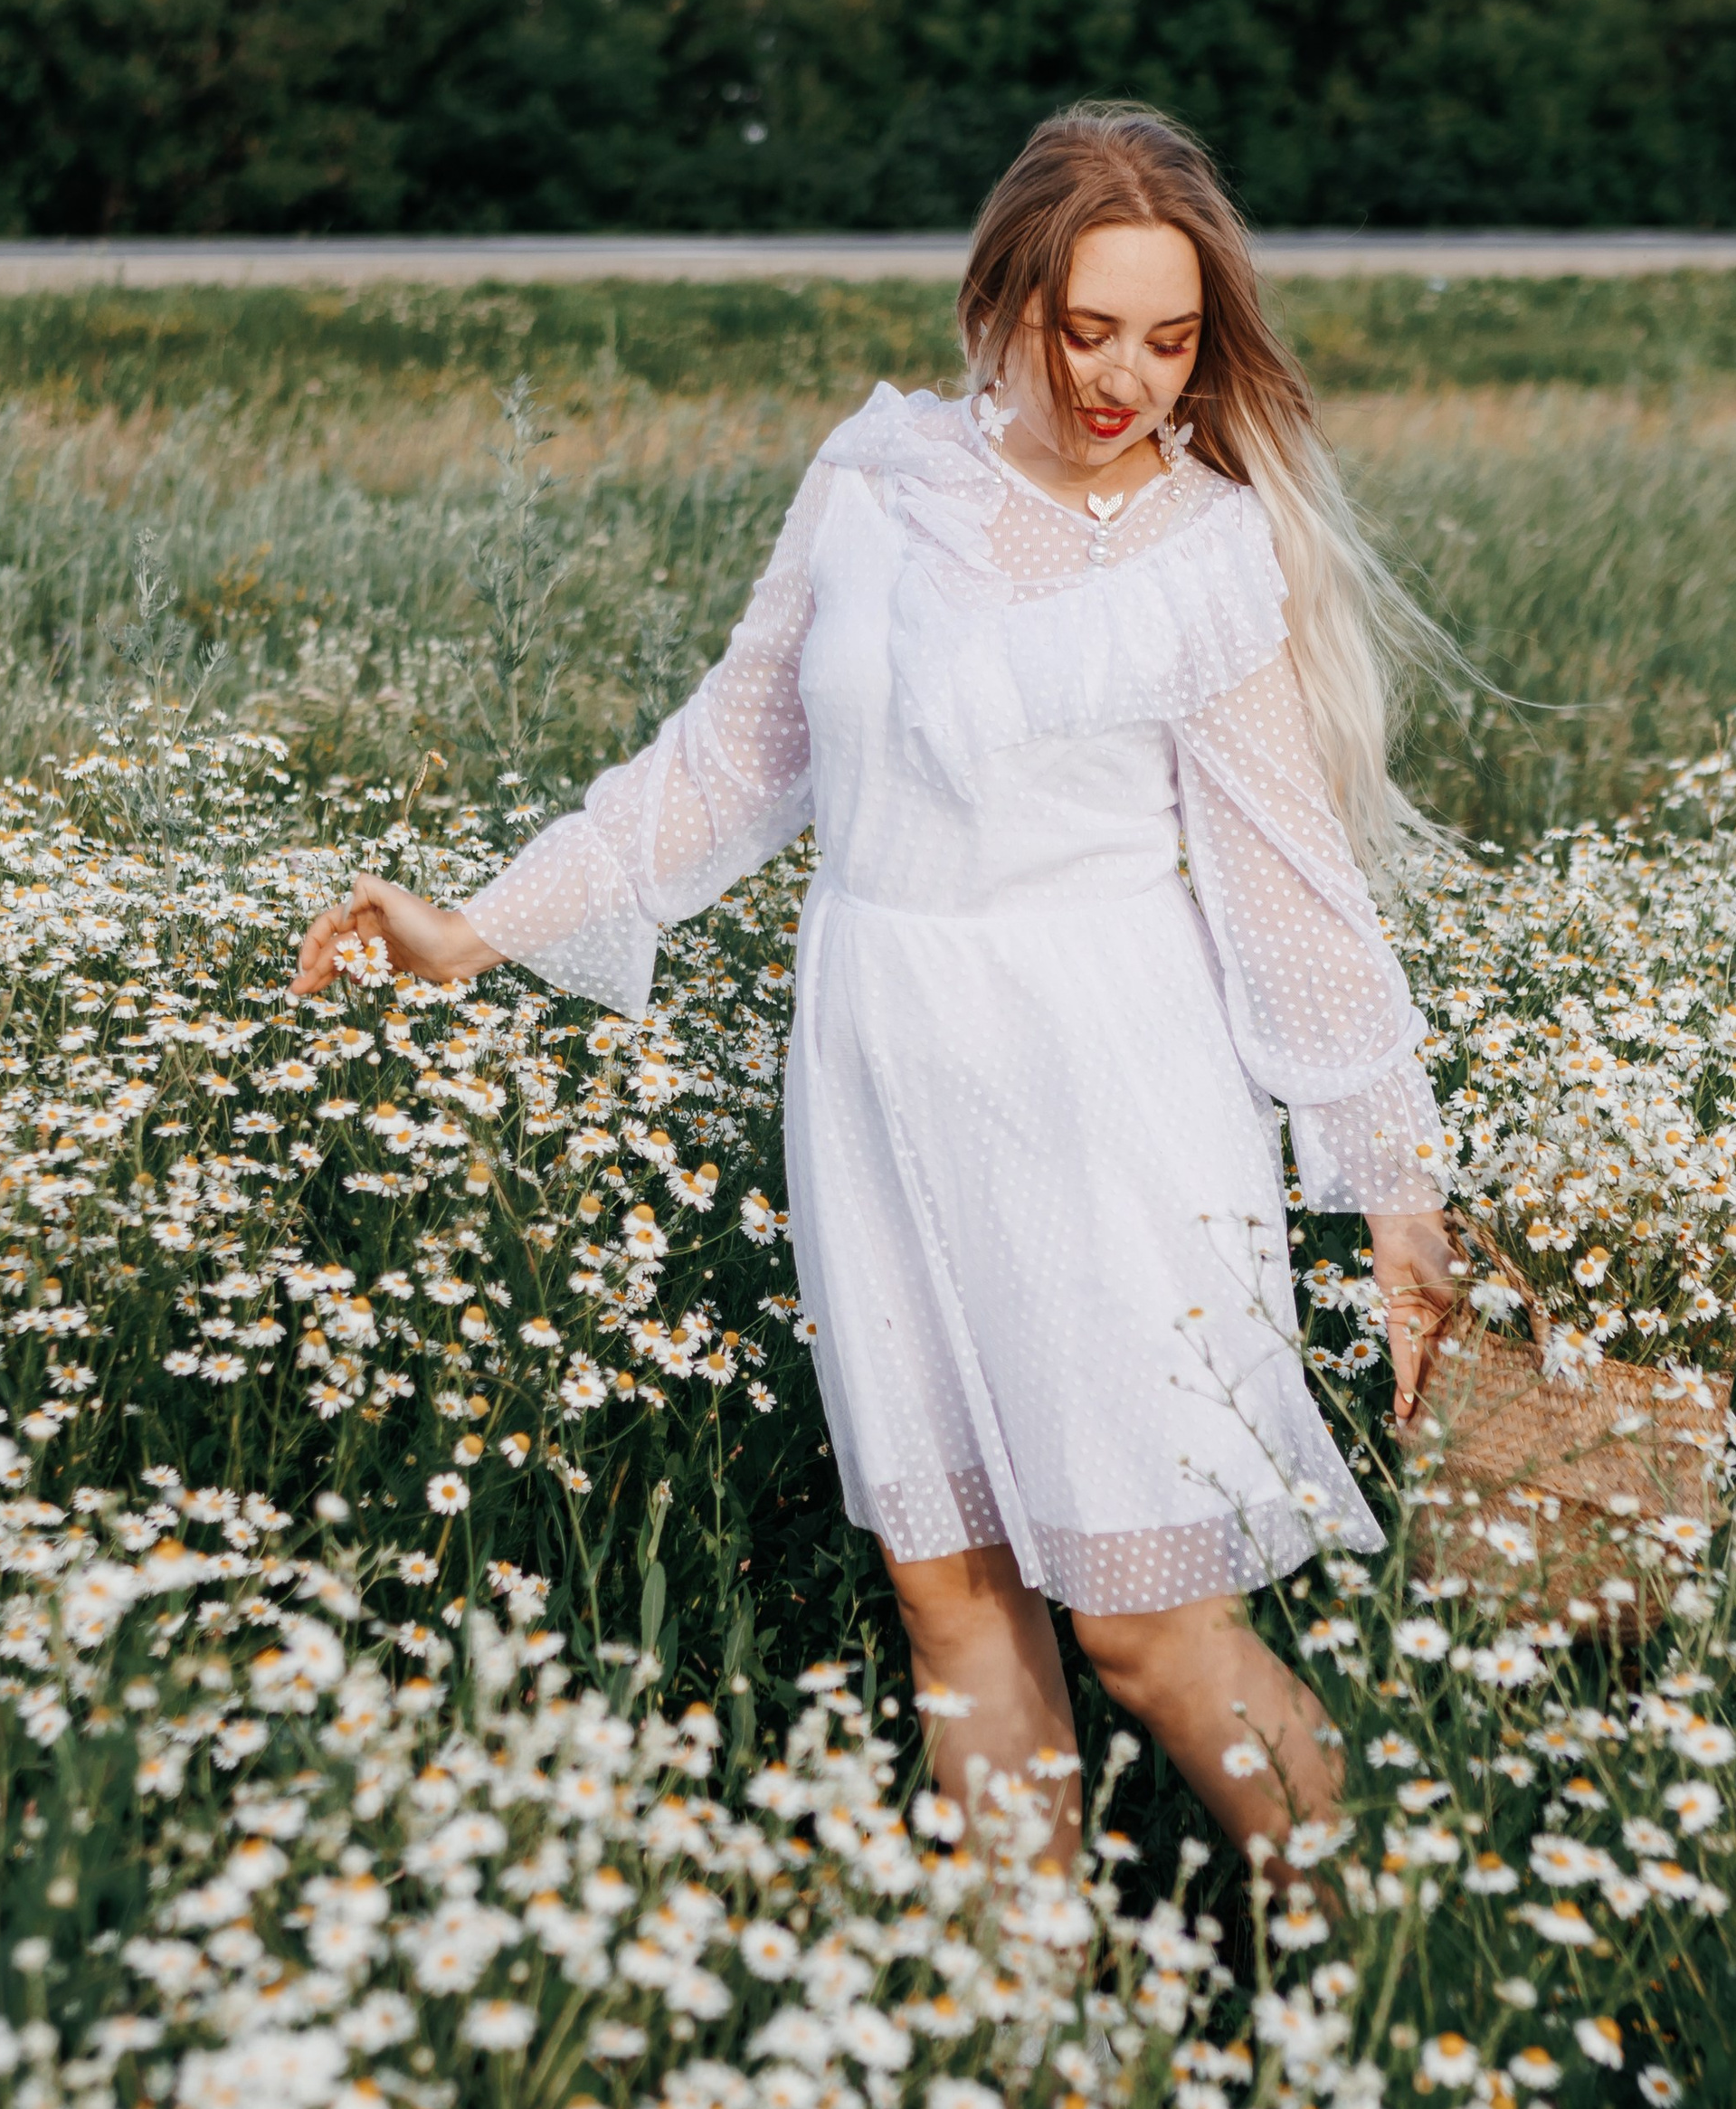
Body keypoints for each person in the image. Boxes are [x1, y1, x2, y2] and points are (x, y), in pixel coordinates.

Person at [293, 105, 1459, 1869]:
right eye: (1085, 329)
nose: (1121, 379)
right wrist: (478, 923)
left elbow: (1291, 896)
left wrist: (1394, 1202)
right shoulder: (875, 479)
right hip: (879, 1064)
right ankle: (1027, 2069)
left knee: (1145, 1628)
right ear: (1005, 296)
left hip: (1106, 1093)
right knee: (949, 1606)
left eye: (1166, 338)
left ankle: (1376, 1969)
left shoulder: (1204, 556)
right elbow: (729, 754)